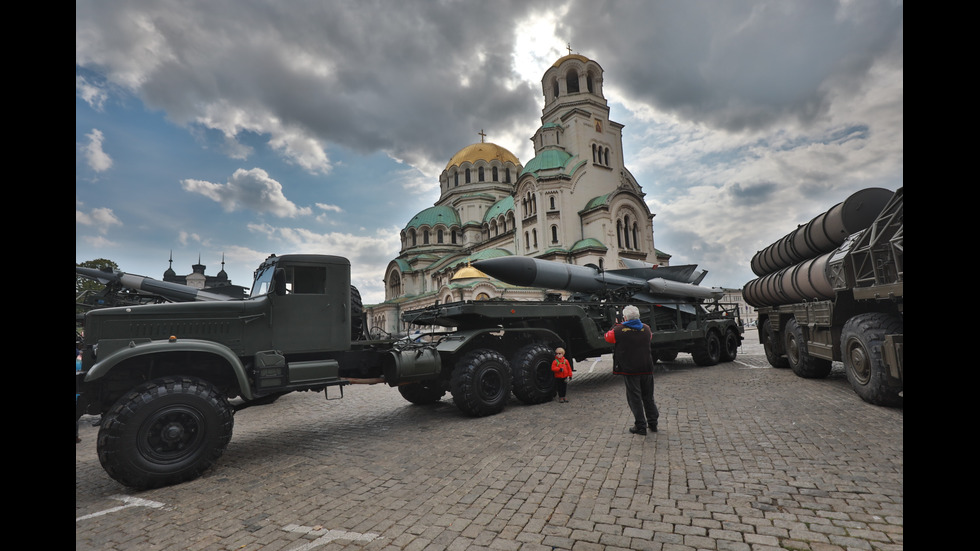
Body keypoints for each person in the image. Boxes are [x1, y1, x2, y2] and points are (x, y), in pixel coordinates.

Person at [605, 305, 660, 435]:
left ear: (624, 317)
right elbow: (649, 338)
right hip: (646, 367)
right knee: (648, 397)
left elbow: (607, 337)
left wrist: (616, 325)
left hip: (630, 369)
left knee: (634, 398)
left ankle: (640, 425)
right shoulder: (646, 329)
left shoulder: (618, 330)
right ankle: (653, 423)